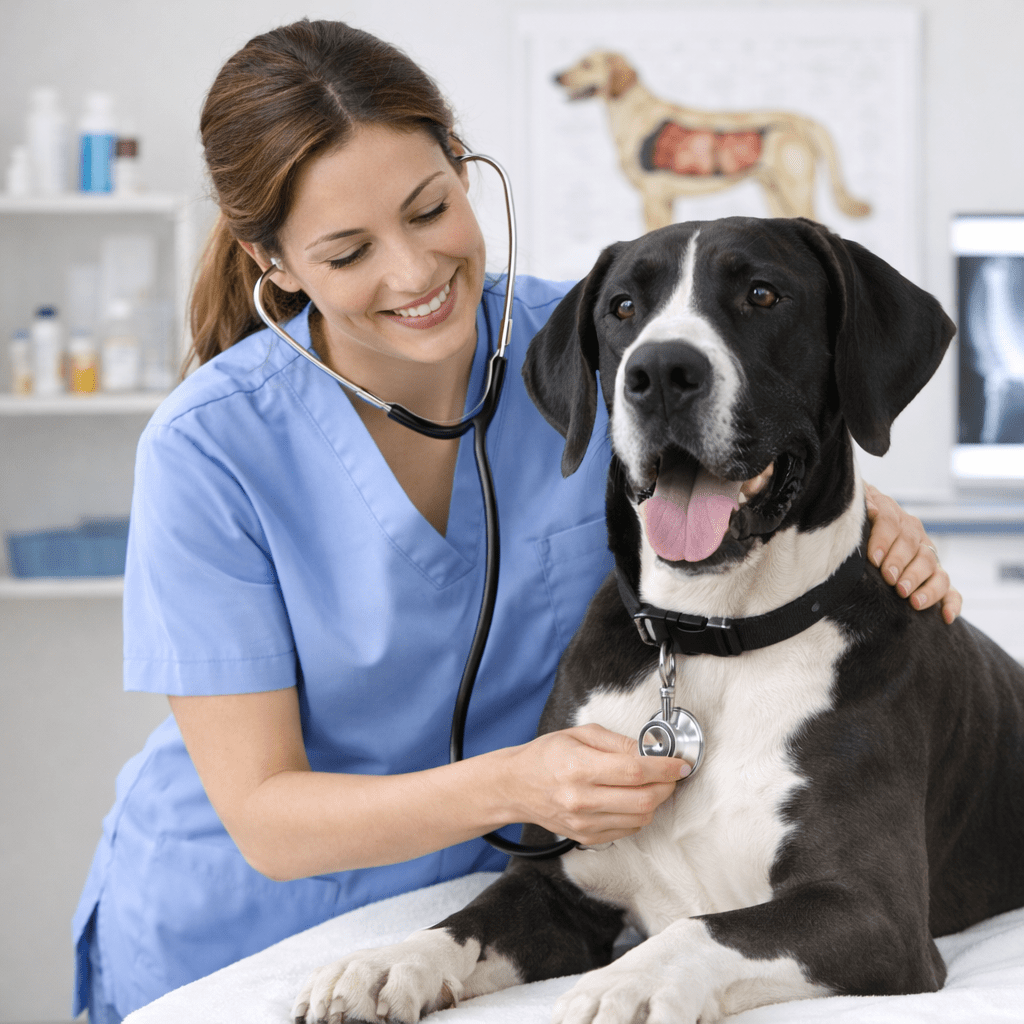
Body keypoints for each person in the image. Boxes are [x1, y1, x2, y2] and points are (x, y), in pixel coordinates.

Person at [71, 19, 961, 1022]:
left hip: (489, 891)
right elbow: (267, 817)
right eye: (349, 249)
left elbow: (732, 443)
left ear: (462, 163)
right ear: (272, 264)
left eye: (428, 208)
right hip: (237, 926)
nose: (412, 273)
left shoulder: (585, 345)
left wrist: (871, 521)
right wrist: (519, 784)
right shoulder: (208, 447)